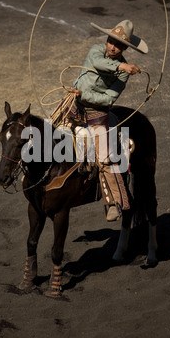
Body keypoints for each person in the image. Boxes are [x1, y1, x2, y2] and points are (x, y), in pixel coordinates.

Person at [70, 19, 148, 221]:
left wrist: (83, 96)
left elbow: (109, 98)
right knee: (47, 132)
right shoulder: (96, 50)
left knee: (105, 158)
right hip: (72, 104)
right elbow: (98, 63)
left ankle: (115, 202)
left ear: (125, 47)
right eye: (110, 41)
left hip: (97, 112)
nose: (112, 47)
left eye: (119, 45)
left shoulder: (123, 76)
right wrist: (122, 66)